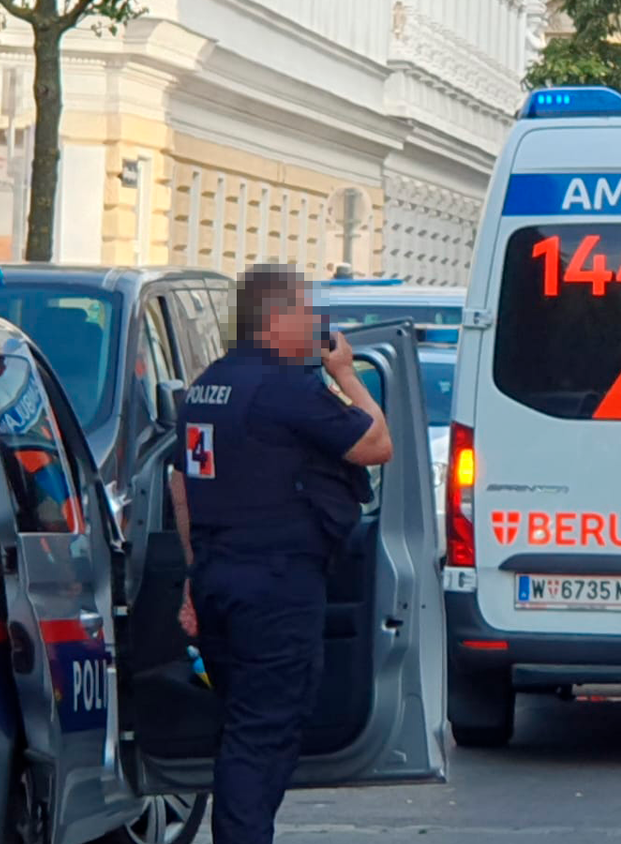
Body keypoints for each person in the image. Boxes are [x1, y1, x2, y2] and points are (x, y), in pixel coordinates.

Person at [169, 264, 392, 844]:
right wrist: (346, 373)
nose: (317, 322)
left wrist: (195, 572)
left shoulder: (207, 386)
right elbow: (377, 443)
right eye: (307, 311)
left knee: (244, 727)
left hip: (221, 580)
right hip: (275, 587)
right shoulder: (287, 387)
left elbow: (180, 484)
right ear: (277, 319)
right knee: (261, 734)